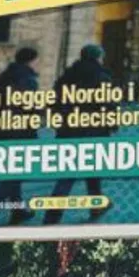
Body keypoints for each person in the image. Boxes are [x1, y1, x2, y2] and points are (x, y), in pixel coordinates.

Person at [43, 44, 116, 225]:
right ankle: (56, 215)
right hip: (94, 132)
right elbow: (109, 106)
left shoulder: (67, 77)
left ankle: (92, 206)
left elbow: (54, 103)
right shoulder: (102, 77)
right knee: (86, 173)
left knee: (77, 174)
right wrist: (112, 124)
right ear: (97, 57)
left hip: (69, 131)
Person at [0, 47, 41, 227]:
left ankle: (17, 210)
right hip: (20, 133)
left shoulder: (4, 79)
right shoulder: (28, 80)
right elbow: (29, 107)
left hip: (2, 132)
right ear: (31, 60)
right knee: (15, 176)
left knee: (11, 174)